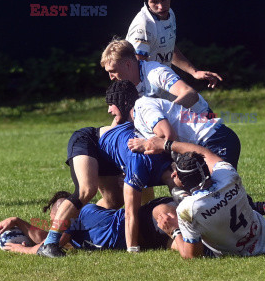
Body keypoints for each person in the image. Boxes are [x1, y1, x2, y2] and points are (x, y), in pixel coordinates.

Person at [110, 79, 265, 224]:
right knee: (214, 193)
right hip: (210, 141)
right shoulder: (138, 116)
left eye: (111, 104)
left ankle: (264, 227)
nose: (109, 109)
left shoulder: (142, 106)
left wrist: (147, 144)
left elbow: (167, 135)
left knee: (217, 196)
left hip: (214, 140)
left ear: (123, 102)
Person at [36, 81, 174, 258]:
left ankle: (74, 228)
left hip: (107, 153)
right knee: (86, 190)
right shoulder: (131, 113)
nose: (108, 110)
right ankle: (50, 243)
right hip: (90, 141)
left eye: (111, 105)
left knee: (114, 201)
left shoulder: (144, 112)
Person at [142, 137, 265, 258]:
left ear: (184, 181)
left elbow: (192, 256)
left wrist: (174, 230)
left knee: (160, 211)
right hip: (259, 235)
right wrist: (165, 144)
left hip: (235, 252)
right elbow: (204, 152)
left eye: (176, 173)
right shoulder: (228, 174)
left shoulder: (188, 208)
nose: (173, 175)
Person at [0, 191, 180, 254]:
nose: (54, 228)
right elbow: (46, 238)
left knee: (189, 230)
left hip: (153, 217)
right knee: (190, 247)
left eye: (55, 222)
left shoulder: (81, 213)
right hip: (151, 239)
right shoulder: (74, 234)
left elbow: (50, 243)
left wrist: (24, 250)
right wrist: (18, 222)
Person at [126, 0, 222, 88]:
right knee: (192, 97)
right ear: (147, 3)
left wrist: (194, 72)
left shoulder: (170, 13)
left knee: (197, 103)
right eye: (154, 2)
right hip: (145, 90)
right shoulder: (143, 24)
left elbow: (168, 48)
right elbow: (136, 67)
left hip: (162, 85)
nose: (161, 6)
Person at [101, 39, 211, 116]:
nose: (111, 77)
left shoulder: (155, 72)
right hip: (179, 129)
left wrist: (162, 116)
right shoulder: (126, 85)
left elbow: (191, 94)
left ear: (128, 65)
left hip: (204, 121)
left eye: (113, 71)